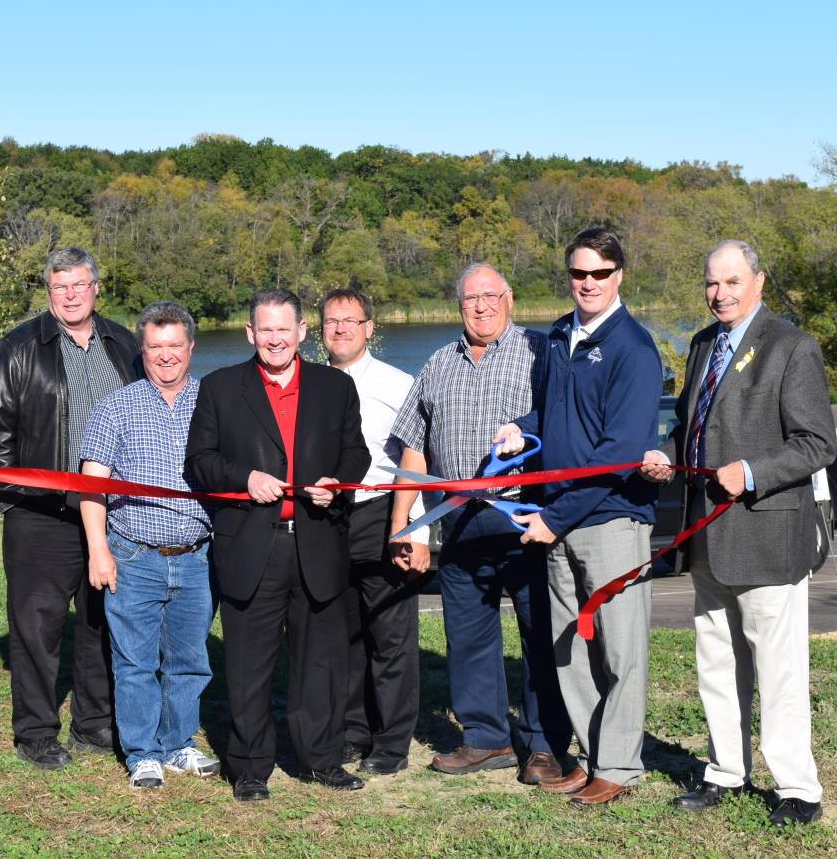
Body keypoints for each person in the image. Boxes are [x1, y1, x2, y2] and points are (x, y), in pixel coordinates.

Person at [640, 240, 837, 827]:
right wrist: (666, 455)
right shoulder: (704, 344)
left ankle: (797, 788)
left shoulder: (792, 348)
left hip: (768, 537)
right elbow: (691, 426)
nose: (719, 293)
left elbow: (816, 443)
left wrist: (750, 472)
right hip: (706, 536)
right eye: (710, 283)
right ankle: (725, 771)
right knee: (717, 664)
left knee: (778, 673)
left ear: (759, 282)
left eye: (731, 282)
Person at [493, 228, 663, 806]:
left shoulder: (633, 348)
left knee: (618, 651)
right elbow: (558, 412)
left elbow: (617, 451)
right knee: (570, 648)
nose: (588, 283)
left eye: (600, 273)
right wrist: (523, 426)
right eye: (578, 272)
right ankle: (590, 758)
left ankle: (618, 764)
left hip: (609, 520)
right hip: (560, 519)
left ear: (620, 275)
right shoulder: (562, 334)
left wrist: (555, 517)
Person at [185, 288, 372, 801]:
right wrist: (244, 477)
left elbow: (357, 453)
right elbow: (198, 462)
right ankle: (249, 767)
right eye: (264, 330)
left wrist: (338, 480)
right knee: (248, 664)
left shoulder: (336, 387)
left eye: (283, 329)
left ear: (301, 332)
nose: (274, 339)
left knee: (321, 663)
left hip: (318, 543)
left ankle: (321, 760)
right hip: (252, 545)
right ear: (250, 333)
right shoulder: (221, 388)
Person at [388, 264, 570, 785]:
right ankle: (486, 738)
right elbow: (413, 448)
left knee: (541, 636)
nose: (482, 307)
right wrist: (407, 528)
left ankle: (544, 744)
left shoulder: (542, 353)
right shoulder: (437, 364)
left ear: (509, 298)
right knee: (467, 636)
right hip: (459, 525)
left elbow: (565, 424)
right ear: (458, 304)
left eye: (491, 296)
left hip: (526, 520)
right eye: (471, 298)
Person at [0, 248, 139, 769]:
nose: (70, 295)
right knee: (37, 627)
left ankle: (94, 724)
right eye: (59, 286)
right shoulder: (21, 346)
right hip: (40, 514)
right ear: (47, 293)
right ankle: (36, 731)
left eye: (79, 285)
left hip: (111, 511)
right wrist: (14, 504)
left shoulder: (124, 344)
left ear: (96, 288)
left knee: (100, 621)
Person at [77, 301, 218, 790]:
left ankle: (178, 743)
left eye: (174, 346)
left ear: (190, 348)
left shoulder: (214, 402)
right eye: (155, 347)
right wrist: (99, 550)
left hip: (197, 556)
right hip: (133, 554)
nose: (165, 356)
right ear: (143, 350)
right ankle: (142, 752)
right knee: (135, 660)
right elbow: (91, 486)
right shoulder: (115, 407)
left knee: (189, 659)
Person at [319, 288, 421, 776]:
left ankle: (391, 741)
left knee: (391, 634)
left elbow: (417, 458)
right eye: (331, 322)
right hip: (329, 517)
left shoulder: (398, 384)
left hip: (384, 511)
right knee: (343, 633)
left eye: (350, 321)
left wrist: (413, 529)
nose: (340, 329)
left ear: (369, 327)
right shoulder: (311, 382)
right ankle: (351, 730)